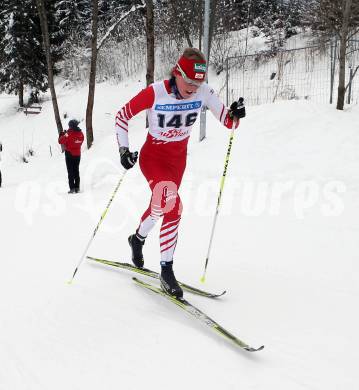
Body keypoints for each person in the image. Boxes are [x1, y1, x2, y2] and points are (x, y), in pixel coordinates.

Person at [115, 47, 245, 298]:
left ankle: (138, 239)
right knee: (172, 206)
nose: (193, 89)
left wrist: (236, 113)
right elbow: (122, 116)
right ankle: (167, 270)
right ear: (177, 73)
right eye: (188, 82)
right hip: (153, 157)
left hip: (177, 161)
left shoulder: (204, 93)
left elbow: (229, 122)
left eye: (198, 84)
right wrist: (123, 151)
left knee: (161, 205)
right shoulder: (156, 92)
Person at [58, 119, 84, 194]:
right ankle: (77, 188)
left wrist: (62, 134)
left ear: (71, 126)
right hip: (78, 154)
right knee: (76, 171)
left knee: (70, 172)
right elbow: (78, 141)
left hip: (69, 154)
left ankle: (72, 188)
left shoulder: (68, 133)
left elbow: (60, 141)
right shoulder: (81, 133)